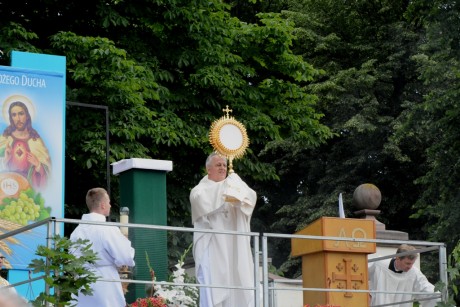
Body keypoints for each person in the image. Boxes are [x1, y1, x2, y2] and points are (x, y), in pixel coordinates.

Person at [190, 152, 257, 307]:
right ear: (208, 169)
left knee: (237, 281)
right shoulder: (199, 190)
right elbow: (202, 200)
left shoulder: (233, 185)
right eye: (218, 165)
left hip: (233, 244)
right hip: (212, 245)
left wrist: (238, 190)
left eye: (225, 165)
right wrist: (228, 187)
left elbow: (251, 197)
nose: (222, 168)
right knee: (212, 286)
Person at [70, 187, 135, 307]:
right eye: (109, 202)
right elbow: (126, 256)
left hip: (82, 283)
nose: (110, 205)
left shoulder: (76, 232)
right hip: (105, 284)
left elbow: (72, 260)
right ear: (103, 205)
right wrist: (125, 242)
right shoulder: (108, 229)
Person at [368, 244, 441, 307]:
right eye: (407, 263)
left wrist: (440, 297)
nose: (410, 267)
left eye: (412, 263)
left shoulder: (414, 273)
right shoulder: (379, 264)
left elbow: (425, 288)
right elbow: (361, 273)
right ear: (398, 258)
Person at [0, 101, 51, 190]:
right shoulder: (5, 139)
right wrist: (5, 160)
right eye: (14, 115)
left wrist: (38, 165)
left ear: (27, 116)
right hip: (7, 186)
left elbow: (48, 172)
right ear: (11, 118)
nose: (18, 119)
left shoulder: (36, 141)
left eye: (21, 114)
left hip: (28, 188)